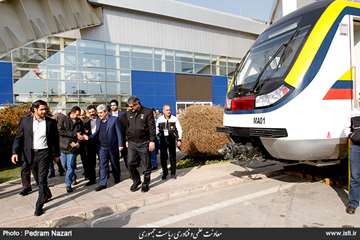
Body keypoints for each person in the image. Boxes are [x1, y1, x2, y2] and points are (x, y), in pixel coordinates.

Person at [11, 100, 60, 216]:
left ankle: (39, 205)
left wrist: (56, 155)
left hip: (44, 153)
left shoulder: (51, 122)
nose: (44, 111)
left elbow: (54, 140)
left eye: (45, 109)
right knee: (38, 179)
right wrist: (14, 152)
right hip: (30, 154)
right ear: (34, 109)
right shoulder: (25, 121)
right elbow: (19, 138)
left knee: (42, 179)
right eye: (42, 109)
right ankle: (47, 193)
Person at [87, 104, 123, 191]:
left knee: (114, 163)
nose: (99, 114)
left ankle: (117, 177)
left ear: (106, 112)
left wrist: (120, 144)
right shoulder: (98, 121)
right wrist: (89, 137)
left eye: (101, 113)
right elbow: (97, 132)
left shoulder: (114, 120)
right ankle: (103, 183)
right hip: (102, 147)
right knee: (102, 165)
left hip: (112, 146)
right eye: (98, 113)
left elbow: (119, 133)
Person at [126, 96, 156, 192]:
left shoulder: (147, 112)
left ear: (137, 103)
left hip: (144, 142)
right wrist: (126, 140)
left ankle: (146, 183)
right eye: (129, 106)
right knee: (130, 163)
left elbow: (152, 128)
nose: (131, 108)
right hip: (132, 143)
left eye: (132, 106)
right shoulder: (128, 113)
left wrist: (152, 141)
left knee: (146, 165)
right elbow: (126, 128)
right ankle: (136, 180)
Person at [57, 106, 84, 193]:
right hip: (63, 146)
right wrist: (74, 134)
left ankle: (68, 185)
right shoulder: (63, 119)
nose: (79, 116)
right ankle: (73, 177)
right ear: (72, 112)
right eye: (77, 114)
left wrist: (78, 143)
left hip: (73, 147)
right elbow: (60, 131)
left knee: (70, 166)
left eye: (79, 114)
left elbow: (81, 134)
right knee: (64, 165)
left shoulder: (79, 122)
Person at [156, 104, 183, 180]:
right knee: (163, 157)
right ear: (163, 111)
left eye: (169, 110)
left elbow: (179, 129)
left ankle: (173, 173)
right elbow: (156, 129)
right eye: (167, 110)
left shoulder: (174, 119)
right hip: (163, 140)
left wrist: (179, 139)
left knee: (172, 157)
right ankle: (165, 173)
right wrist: (158, 135)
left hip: (171, 140)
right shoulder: (160, 119)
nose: (169, 111)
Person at [109, 99, 128, 168]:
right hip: (113, 139)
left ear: (117, 106)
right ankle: (116, 172)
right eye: (111, 105)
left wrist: (126, 139)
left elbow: (126, 127)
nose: (112, 107)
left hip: (122, 138)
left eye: (114, 105)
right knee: (114, 158)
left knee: (126, 157)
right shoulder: (108, 115)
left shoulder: (122, 114)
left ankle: (131, 173)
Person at [82, 105, 98, 186]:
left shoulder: (101, 119)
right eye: (90, 112)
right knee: (91, 163)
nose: (92, 113)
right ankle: (92, 179)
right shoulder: (85, 122)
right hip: (90, 144)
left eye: (93, 111)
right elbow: (83, 132)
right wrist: (84, 135)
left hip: (101, 143)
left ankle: (105, 176)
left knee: (103, 161)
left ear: (96, 111)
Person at [347, 115, 360, 214]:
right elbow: (347, 130)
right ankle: (353, 204)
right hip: (356, 148)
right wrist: (351, 135)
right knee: (355, 177)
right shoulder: (354, 119)